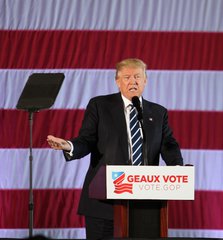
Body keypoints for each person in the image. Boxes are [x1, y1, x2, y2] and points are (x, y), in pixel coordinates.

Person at [47, 58, 183, 239]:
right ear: (118, 82)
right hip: (104, 202)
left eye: (137, 76)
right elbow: (87, 140)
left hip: (145, 205)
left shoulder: (158, 112)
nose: (132, 81)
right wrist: (69, 145)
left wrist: (178, 169)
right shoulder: (100, 106)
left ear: (145, 80)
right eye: (126, 77)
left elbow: (168, 145)